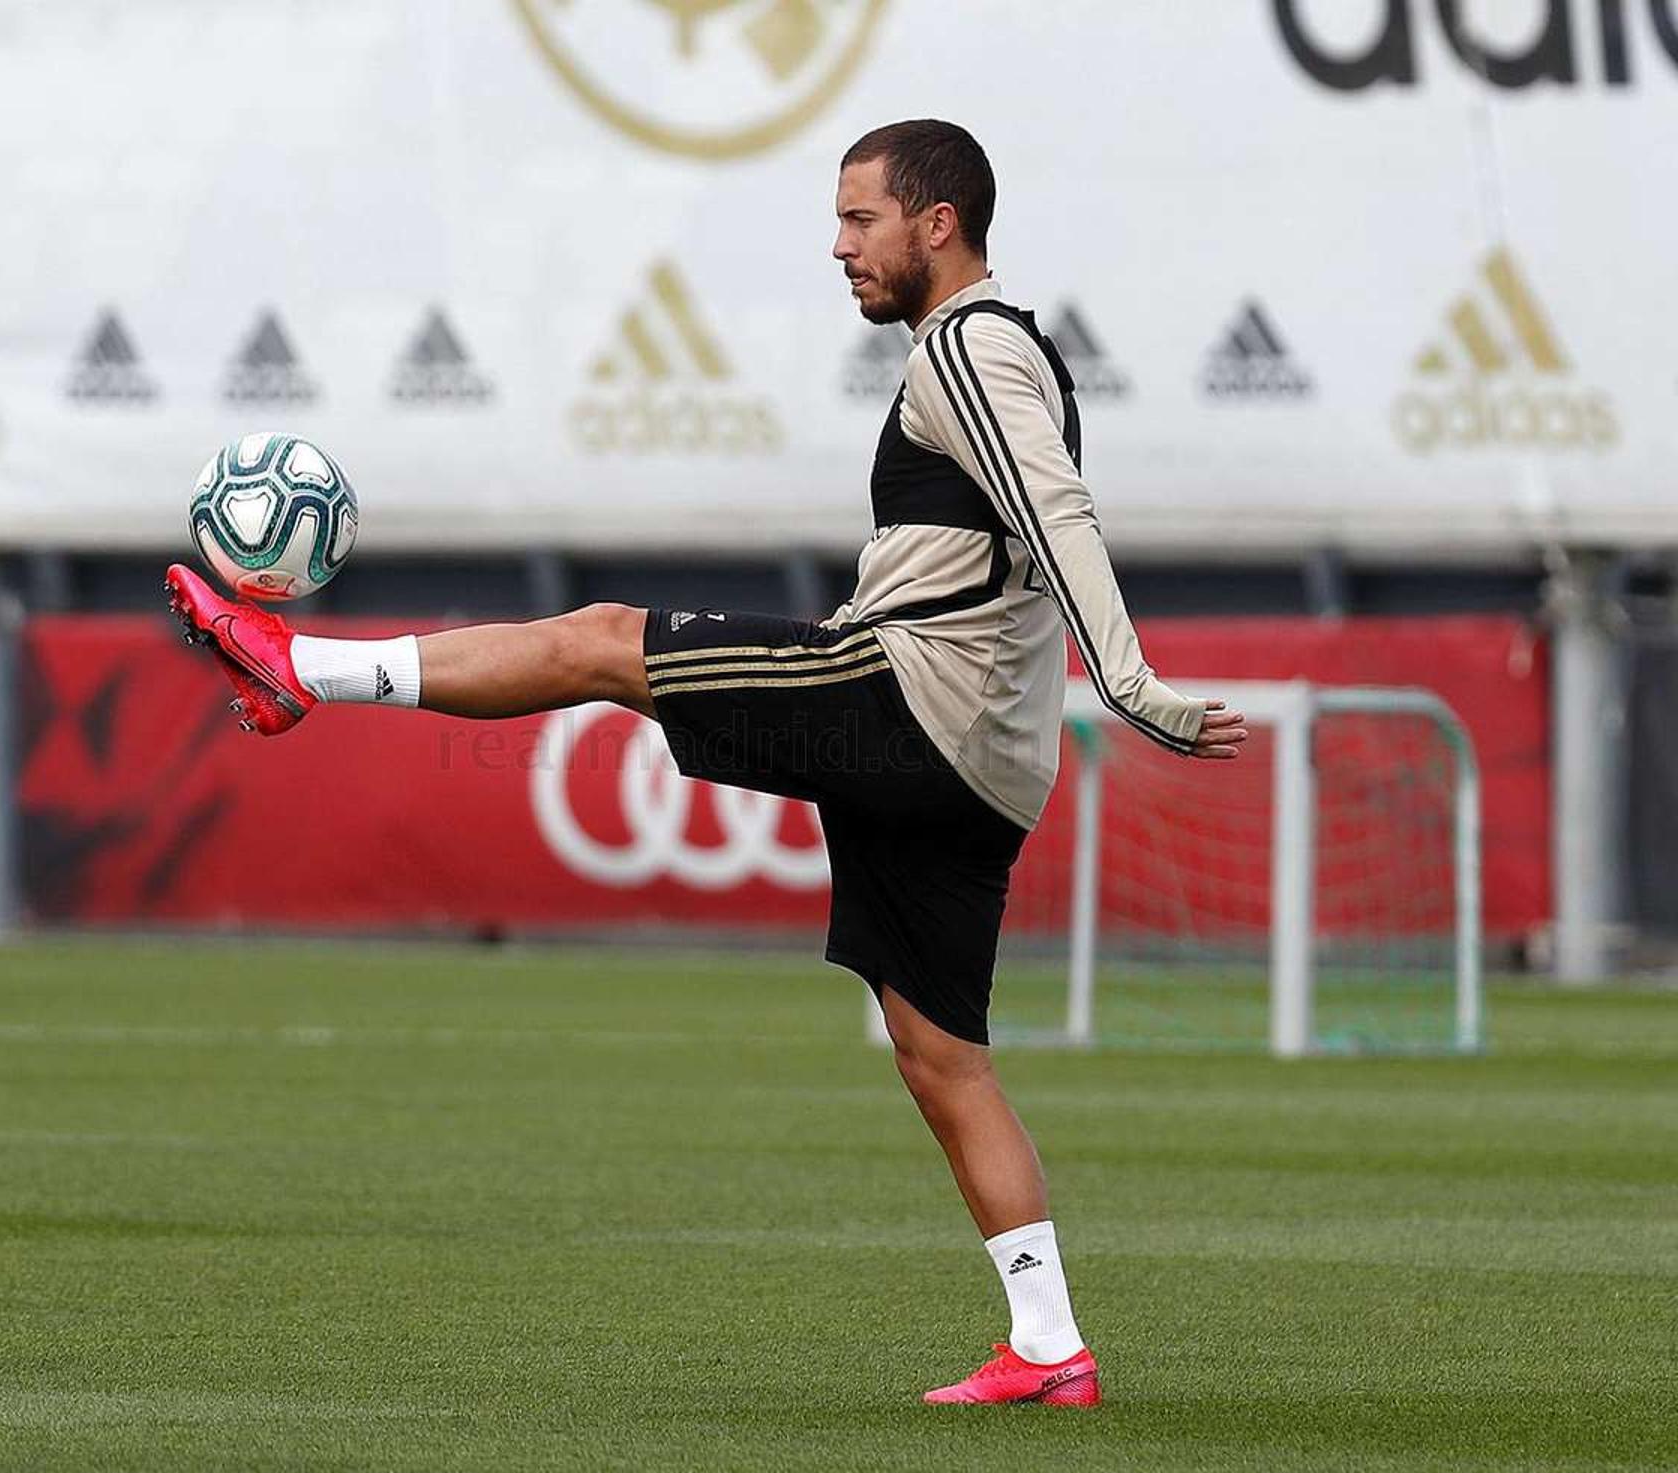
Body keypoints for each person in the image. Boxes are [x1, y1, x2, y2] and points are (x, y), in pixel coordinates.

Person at [165, 118, 1248, 1407]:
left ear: (938, 224)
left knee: (602, 641)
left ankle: (302, 672)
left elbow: (1056, 507)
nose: (839, 245)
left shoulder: (970, 344)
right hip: (989, 764)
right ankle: (1050, 1345)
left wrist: (1127, 681)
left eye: (861, 220)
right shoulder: (995, 348)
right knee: (941, 1056)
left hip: (907, 702)